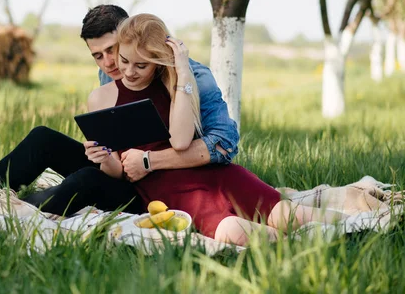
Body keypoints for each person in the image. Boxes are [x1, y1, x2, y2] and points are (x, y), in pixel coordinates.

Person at [0, 5, 239, 226]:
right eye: (97, 56)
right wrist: (102, 154)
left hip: (160, 184)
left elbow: (225, 145)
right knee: (44, 138)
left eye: (113, 52)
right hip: (120, 173)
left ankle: (4, 215)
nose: (109, 64)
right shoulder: (114, 73)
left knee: (84, 182)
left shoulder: (190, 77)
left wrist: (149, 161)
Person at [86, 13, 347, 245]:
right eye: (124, 60)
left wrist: (183, 73)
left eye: (141, 65)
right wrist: (104, 159)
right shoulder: (102, 97)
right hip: (174, 195)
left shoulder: (174, 85)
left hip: (218, 177)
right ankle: (306, 244)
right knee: (232, 232)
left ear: (157, 62)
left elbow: (180, 141)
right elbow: (119, 171)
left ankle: (360, 226)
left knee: (291, 216)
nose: (129, 71)